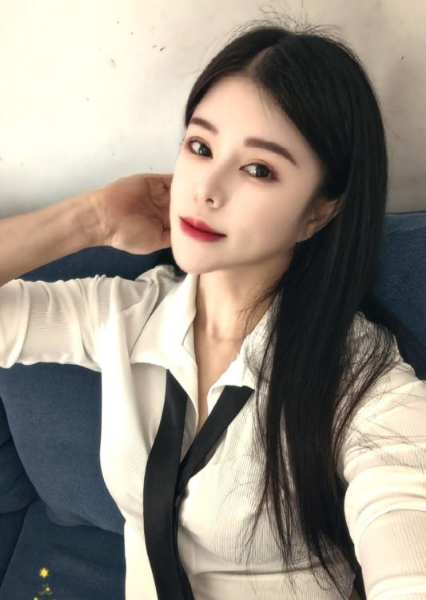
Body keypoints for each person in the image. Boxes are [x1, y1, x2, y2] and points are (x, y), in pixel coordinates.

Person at [1, 17, 425, 600]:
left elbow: (405, 520)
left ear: (317, 213)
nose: (206, 188)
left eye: (259, 169)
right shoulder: (123, 315)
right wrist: (90, 218)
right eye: (200, 147)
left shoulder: (357, 377)